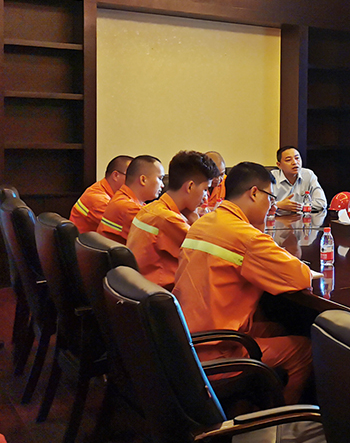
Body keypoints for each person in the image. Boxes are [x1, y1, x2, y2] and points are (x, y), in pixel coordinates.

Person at [173, 162, 315, 404]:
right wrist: (259, 231)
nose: (272, 206)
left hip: (186, 337)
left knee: (278, 329)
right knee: (304, 349)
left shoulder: (203, 223)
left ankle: (254, 402)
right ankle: (286, 420)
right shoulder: (244, 236)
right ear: (254, 193)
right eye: (270, 198)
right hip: (217, 351)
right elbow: (299, 276)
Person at [126, 151, 220, 290]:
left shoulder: (152, 208)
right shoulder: (168, 219)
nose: (206, 197)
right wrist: (196, 222)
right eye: (205, 189)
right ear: (190, 186)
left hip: (141, 287)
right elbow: (210, 252)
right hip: (161, 293)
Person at [97, 155, 163, 244]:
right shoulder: (130, 209)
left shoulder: (122, 198)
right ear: (143, 180)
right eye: (160, 178)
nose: (162, 185)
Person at [70, 155, 132, 233]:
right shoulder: (99, 199)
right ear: (115, 175)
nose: (134, 181)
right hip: (87, 240)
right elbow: (127, 229)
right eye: (130, 176)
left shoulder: (105, 189)